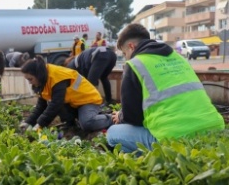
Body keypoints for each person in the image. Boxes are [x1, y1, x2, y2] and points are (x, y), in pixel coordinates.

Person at [106, 23, 225, 153]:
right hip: (213, 129)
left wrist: (120, 116)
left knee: (112, 133)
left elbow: (133, 117)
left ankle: (143, 163)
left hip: (173, 138)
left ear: (131, 46)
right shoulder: (178, 58)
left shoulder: (135, 64)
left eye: (124, 53)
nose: (125, 58)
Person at [19, 55, 113, 132]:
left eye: (30, 79)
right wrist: (28, 122)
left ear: (38, 74)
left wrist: (39, 124)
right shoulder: (43, 80)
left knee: (87, 123)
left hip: (88, 101)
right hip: (75, 103)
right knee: (53, 103)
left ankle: (112, 118)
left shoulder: (56, 77)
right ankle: (71, 125)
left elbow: (56, 105)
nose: (30, 82)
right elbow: (41, 105)